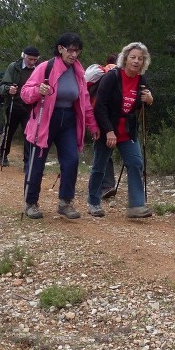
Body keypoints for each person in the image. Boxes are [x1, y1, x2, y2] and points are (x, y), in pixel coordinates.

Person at [20, 33, 99, 219]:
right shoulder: (45, 67)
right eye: (70, 50)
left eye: (77, 50)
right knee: (37, 163)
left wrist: (93, 125)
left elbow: (85, 102)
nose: (74, 54)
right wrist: (38, 91)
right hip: (45, 119)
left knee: (71, 160)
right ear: (60, 49)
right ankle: (30, 203)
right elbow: (25, 93)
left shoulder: (79, 72)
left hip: (68, 121)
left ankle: (65, 202)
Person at [87, 42, 154, 219]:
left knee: (135, 163)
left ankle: (136, 206)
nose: (136, 61)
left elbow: (140, 106)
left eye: (140, 58)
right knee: (100, 166)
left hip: (127, 131)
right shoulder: (112, 77)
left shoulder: (141, 81)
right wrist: (108, 131)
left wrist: (149, 100)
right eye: (133, 57)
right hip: (106, 129)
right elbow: (100, 106)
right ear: (125, 58)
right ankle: (93, 202)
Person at [0, 45, 40, 167]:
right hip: (13, 104)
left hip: (30, 107)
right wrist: (8, 89)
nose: (32, 62)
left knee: (29, 134)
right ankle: (3, 155)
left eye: (35, 60)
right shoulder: (14, 67)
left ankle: (28, 162)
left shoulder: (38, 68)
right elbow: (3, 85)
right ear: (24, 56)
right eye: (30, 59)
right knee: (9, 132)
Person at [84, 53, 118, 197]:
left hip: (94, 117)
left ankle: (102, 185)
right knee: (104, 153)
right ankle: (103, 186)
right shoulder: (116, 76)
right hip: (108, 118)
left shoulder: (98, 74)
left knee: (102, 151)